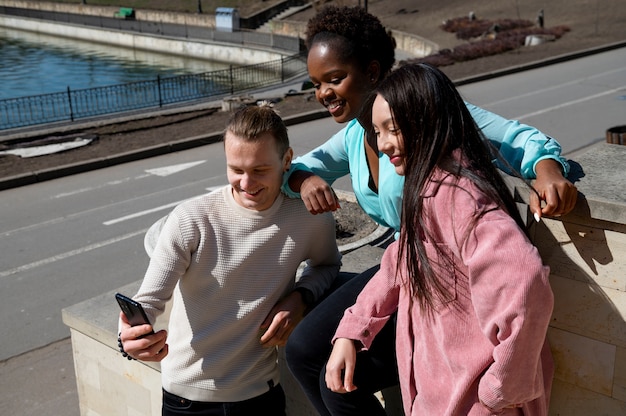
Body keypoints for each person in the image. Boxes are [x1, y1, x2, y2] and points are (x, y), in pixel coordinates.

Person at [283, 5, 574, 415]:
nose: (323, 94)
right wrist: (305, 180)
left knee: (340, 384)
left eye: (334, 79)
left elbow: (517, 141)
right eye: (315, 84)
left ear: (371, 71)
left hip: (443, 282)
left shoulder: (436, 123)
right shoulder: (354, 135)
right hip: (407, 262)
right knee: (304, 351)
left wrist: (546, 172)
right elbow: (294, 170)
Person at [325, 63, 555, 415]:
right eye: (377, 131)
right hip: (441, 391)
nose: (383, 143)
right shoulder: (428, 188)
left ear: (427, 120)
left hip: (473, 401)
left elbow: (528, 285)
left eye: (393, 129)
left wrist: (498, 393)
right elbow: (400, 262)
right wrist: (352, 329)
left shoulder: (460, 196)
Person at [117, 104, 342, 416]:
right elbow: (149, 300)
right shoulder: (190, 219)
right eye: (236, 170)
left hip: (261, 397)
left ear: (287, 160)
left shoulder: (310, 218)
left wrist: (300, 298)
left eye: (260, 171)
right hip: (185, 402)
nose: (247, 185)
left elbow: (327, 265)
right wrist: (129, 335)